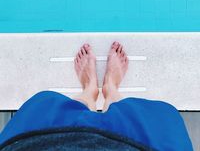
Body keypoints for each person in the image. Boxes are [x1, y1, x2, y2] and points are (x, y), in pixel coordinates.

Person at [0, 42, 193, 150]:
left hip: (38, 144)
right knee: (155, 118)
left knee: (49, 108)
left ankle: (89, 90)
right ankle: (111, 89)